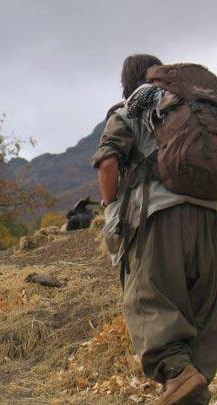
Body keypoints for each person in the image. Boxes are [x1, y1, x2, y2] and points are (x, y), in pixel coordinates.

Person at [92, 54, 217, 405]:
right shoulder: (194, 107)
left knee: (147, 299)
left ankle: (177, 373)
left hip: (161, 218)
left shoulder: (135, 106)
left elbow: (108, 162)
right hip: (212, 218)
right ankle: (194, 383)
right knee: (203, 311)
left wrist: (111, 206)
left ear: (125, 83)